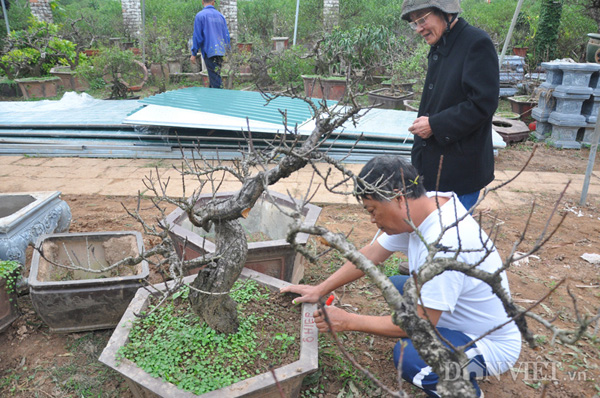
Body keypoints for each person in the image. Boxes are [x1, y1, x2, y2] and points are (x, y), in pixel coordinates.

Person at [281, 156, 521, 397]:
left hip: (490, 344)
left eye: (373, 210)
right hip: (456, 318)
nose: (373, 221)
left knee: (411, 358)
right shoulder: (426, 205)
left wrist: (348, 321)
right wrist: (319, 289)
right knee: (398, 286)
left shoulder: (444, 243)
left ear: (398, 198)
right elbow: (371, 254)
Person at [403, 0, 499, 211]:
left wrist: (435, 125)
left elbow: (483, 104)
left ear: (446, 12)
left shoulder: (476, 43)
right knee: (430, 237)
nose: (418, 29)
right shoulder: (441, 43)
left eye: (421, 19)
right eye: (414, 23)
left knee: (449, 239)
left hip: (459, 172)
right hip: (431, 169)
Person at [190, 0, 231, 88]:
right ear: (213, 2)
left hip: (209, 51)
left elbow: (197, 36)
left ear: (202, 2)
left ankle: (220, 99)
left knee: (215, 79)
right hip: (221, 51)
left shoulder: (200, 15)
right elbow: (226, 35)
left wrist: (194, 53)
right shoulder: (220, 16)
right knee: (215, 75)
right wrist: (228, 50)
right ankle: (211, 97)